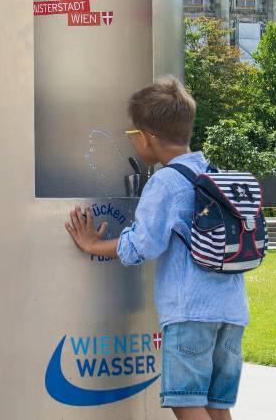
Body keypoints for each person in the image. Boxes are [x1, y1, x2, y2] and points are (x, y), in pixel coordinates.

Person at [63, 78, 247, 419]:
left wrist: (92, 243)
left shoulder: (166, 181)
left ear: (146, 138)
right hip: (231, 311)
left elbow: (141, 245)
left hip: (190, 310)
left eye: (132, 135)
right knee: (216, 406)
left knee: (185, 400)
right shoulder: (212, 171)